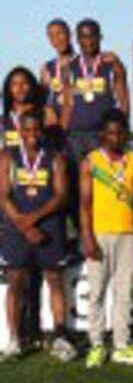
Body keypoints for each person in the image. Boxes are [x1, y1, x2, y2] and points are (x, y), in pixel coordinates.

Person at [0, 110, 75, 361]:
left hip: (49, 228)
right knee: (16, 281)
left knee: (54, 279)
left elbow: (61, 195)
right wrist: (23, 225)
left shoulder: (55, 158)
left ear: (42, 131)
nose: (32, 135)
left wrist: (31, 221)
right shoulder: (7, 156)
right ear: (19, 131)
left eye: (36, 130)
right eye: (27, 130)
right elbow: (3, 195)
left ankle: (61, 336)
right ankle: (13, 340)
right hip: (16, 228)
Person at [80, 109, 133, 368]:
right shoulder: (91, 162)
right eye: (110, 133)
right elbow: (84, 205)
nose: (115, 137)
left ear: (126, 134)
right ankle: (97, 344)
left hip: (128, 235)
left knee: (125, 292)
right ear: (102, 135)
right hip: (99, 234)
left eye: (120, 132)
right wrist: (87, 237)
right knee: (96, 292)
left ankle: (121, 344)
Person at [65, 19, 129, 228]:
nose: (88, 40)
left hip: (101, 135)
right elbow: (67, 104)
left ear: (100, 37)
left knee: (105, 184)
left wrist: (124, 126)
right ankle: (82, 232)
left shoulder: (111, 64)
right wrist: (62, 133)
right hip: (76, 135)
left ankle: (105, 226)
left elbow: (123, 98)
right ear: (77, 39)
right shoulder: (71, 67)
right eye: (83, 36)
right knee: (76, 186)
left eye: (92, 35)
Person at [2, 67, 58, 150]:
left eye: (25, 83)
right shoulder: (4, 120)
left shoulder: (46, 113)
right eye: (15, 84)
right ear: (8, 89)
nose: (20, 88)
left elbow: (55, 145)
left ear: (32, 86)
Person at [39, 18, 75, 113]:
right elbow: (41, 99)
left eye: (60, 33)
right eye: (51, 36)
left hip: (81, 117)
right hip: (58, 120)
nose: (57, 39)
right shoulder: (47, 67)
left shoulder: (84, 62)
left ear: (70, 34)